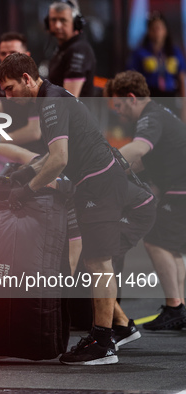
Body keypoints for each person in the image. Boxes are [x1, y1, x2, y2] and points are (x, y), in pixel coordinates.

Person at [0, 53, 128, 365]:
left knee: (98, 263)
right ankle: (106, 335)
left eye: (11, 89)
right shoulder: (52, 97)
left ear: (27, 79)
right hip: (99, 182)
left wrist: (26, 191)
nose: (8, 97)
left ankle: (104, 342)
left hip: (100, 183)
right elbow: (52, 154)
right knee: (96, 262)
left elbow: (60, 159)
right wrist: (25, 173)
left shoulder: (51, 102)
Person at [106, 70, 186, 330]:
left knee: (156, 240)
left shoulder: (150, 118)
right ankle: (179, 306)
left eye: (118, 105)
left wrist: (103, 167)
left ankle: (175, 306)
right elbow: (139, 162)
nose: (118, 111)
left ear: (131, 98)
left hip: (179, 186)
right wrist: (120, 171)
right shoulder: (159, 113)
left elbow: (138, 149)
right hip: (178, 185)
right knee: (170, 245)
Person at [129, 12, 186, 122]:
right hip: (150, 97)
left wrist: (184, 107)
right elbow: (133, 79)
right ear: (149, 32)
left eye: (160, 28)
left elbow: (181, 79)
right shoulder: (140, 53)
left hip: (171, 97)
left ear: (165, 31)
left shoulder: (174, 52)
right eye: (154, 29)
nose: (157, 32)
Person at [45, 0, 96, 97]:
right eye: (53, 20)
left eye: (63, 20)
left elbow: (69, 101)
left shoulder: (79, 49)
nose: (57, 26)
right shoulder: (62, 48)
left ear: (76, 23)